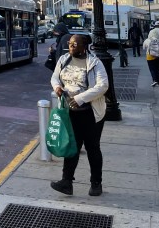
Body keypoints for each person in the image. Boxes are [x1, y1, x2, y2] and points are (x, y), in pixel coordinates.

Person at [49, 34, 109, 197]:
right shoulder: (64, 59)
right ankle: (66, 182)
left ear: (84, 46)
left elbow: (103, 86)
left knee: (92, 148)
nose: (71, 46)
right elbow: (55, 77)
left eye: (75, 44)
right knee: (72, 147)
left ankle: (96, 183)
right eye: (70, 43)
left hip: (91, 114)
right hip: (71, 113)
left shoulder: (95, 63)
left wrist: (80, 99)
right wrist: (57, 87)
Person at [143, 21, 159, 87]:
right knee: (158, 69)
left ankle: (154, 80)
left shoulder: (147, 40)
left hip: (150, 56)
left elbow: (144, 47)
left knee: (152, 69)